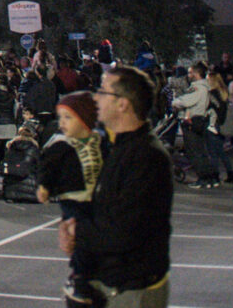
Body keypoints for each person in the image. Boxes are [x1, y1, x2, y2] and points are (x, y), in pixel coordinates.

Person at [63, 65, 172, 307]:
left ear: (123, 103)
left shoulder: (146, 156)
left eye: (103, 91)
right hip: (114, 283)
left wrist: (77, 232)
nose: (96, 97)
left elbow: (123, 232)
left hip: (133, 289)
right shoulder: (117, 146)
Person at [38, 93, 106, 308]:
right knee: (79, 236)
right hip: (73, 199)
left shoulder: (101, 143)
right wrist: (44, 186)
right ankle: (79, 277)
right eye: (62, 118)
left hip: (98, 200)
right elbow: (46, 166)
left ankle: (90, 275)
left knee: (97, 238)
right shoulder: (61, 146)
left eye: (68, 118)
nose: (62, 123)